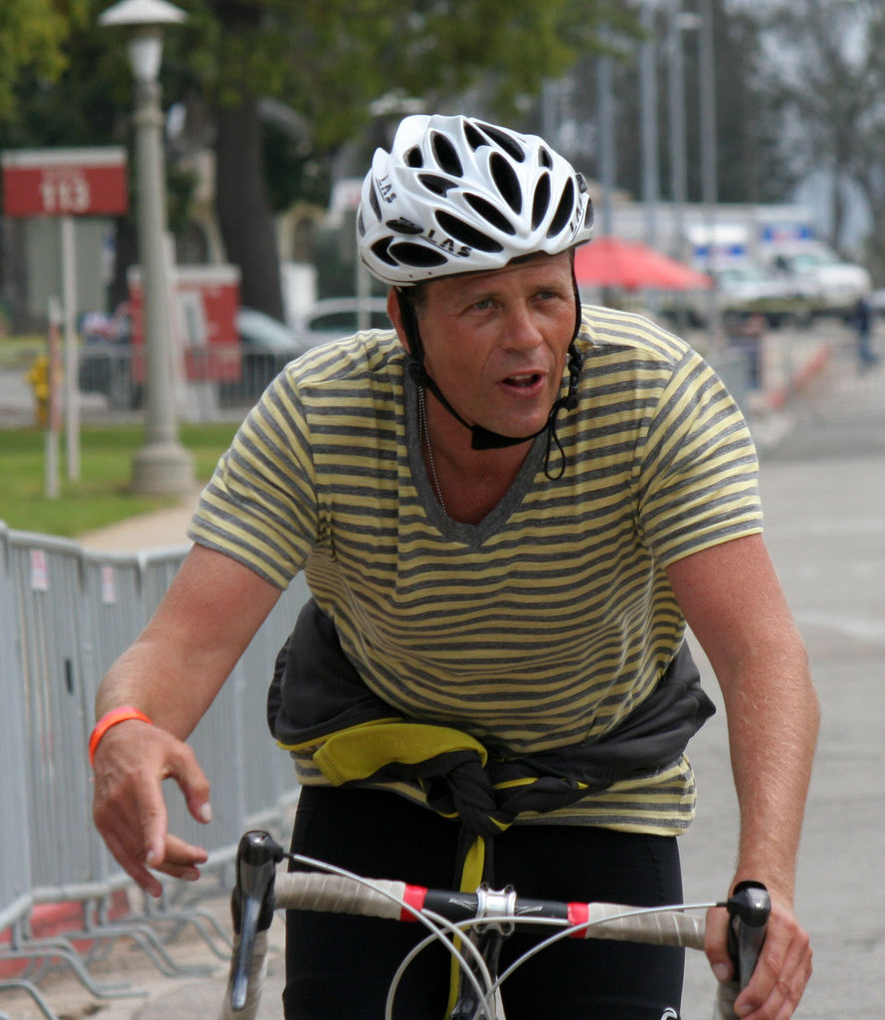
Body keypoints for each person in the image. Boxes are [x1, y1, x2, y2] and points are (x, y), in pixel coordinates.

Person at [91, 113, 819, 1020]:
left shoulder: (655, 398)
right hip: (383, 778)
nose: (528, 338)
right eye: (483, 305)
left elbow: (762, 655)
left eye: (548, 295)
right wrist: (125, 727)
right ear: (405, 319)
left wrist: (767, 882)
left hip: (596, 785)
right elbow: (185, 641)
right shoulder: (318, 417)